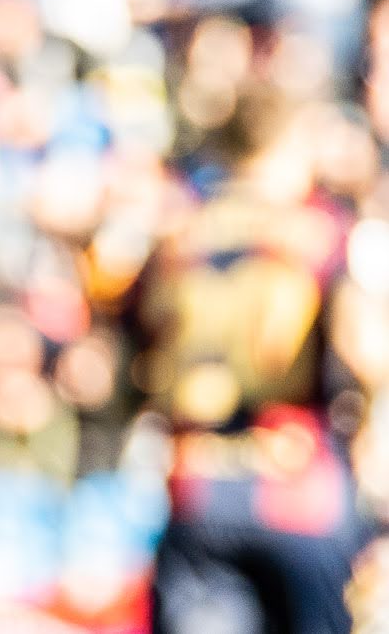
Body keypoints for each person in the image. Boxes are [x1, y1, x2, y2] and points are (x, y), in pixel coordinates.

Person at [133, 83, 387, 634]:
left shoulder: (180, 235)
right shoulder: (322, 233)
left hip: (197, 485)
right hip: (300, 486)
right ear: (295, 142)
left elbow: (139, 354)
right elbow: (363, 354)